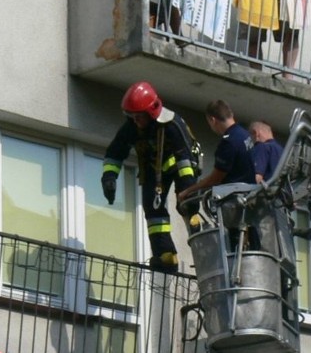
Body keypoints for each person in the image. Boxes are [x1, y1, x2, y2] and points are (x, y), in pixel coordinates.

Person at [101, 81, 199, 274]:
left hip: (181, 164)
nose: (135, 121)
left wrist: (188, 192)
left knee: (186, 203)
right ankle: (165, 255)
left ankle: (198, 230)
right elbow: (114, 152)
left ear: (151, 112)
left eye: (139, 117)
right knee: (153, 211)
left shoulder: (171, 125)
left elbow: (184, 161)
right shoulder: (131, 127)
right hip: (154, 169)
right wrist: (109, 177)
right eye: (132, 117)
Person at [177, 99, 255, 202]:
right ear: (231, 114)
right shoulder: (245, 134)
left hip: (235, 201)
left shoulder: (228, 143)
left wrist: (186, 192)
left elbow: (214, 179)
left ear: (213, 120)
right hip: (251, 194)